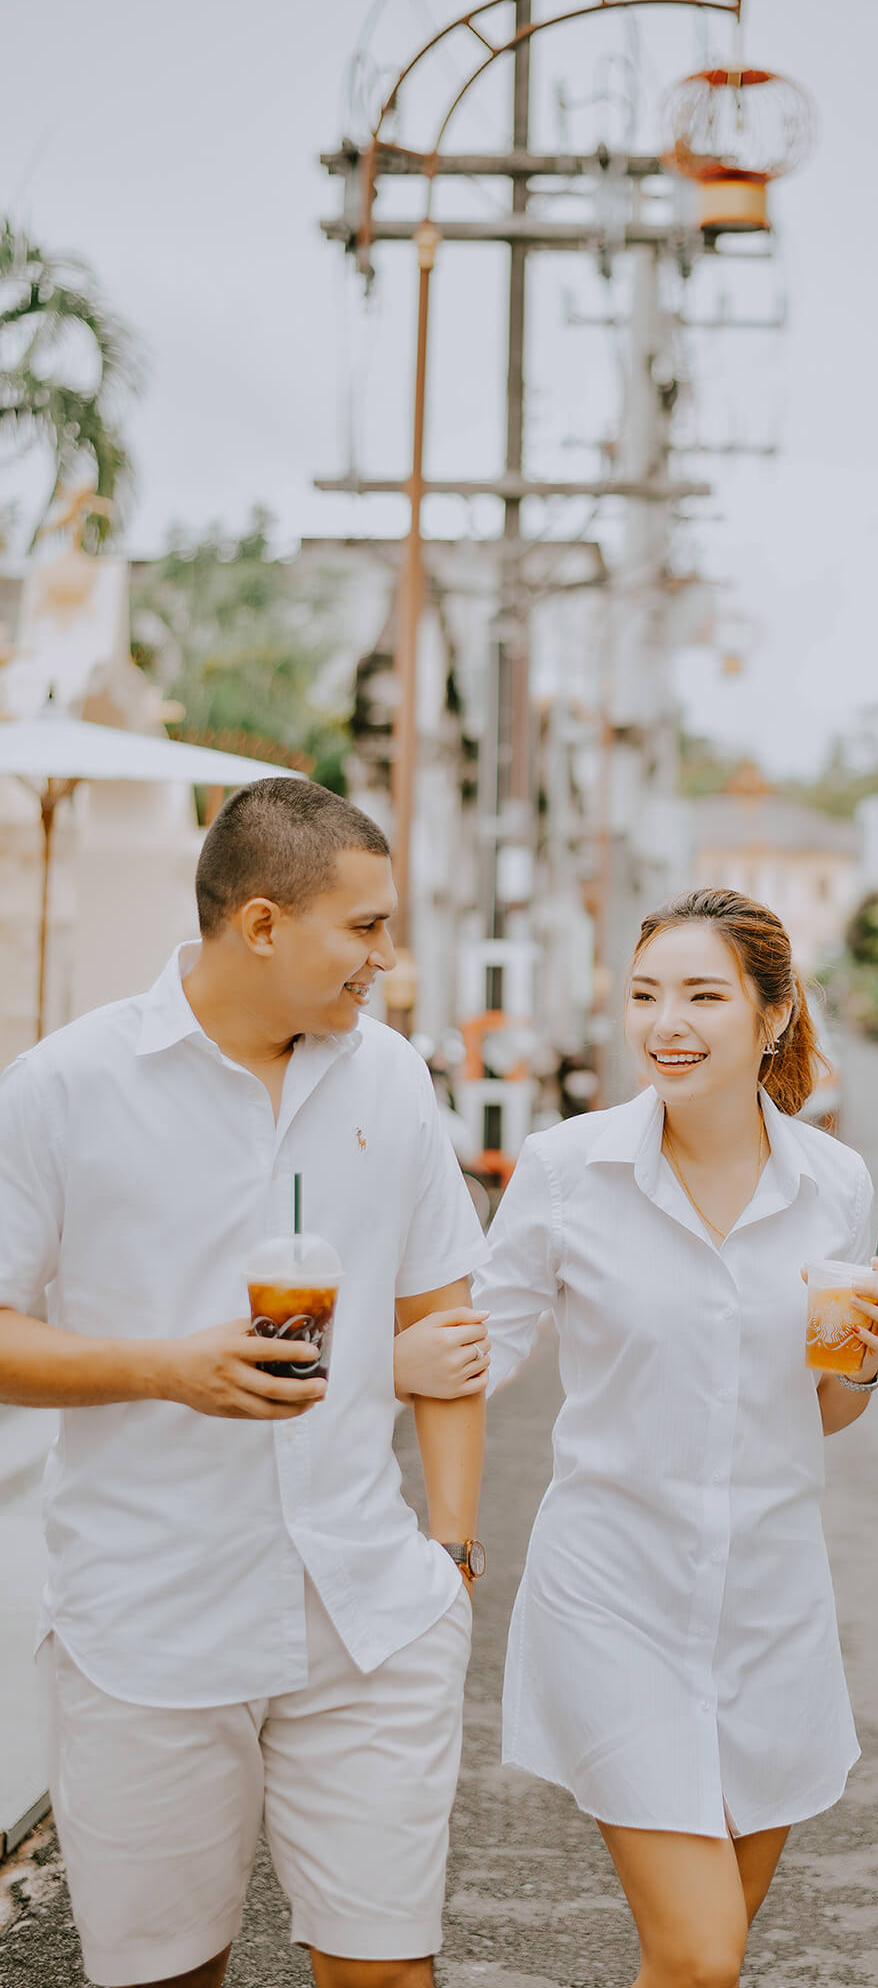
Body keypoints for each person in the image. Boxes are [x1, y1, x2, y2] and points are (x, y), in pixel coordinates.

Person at [0, 777, 495, 1988]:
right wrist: (172, 1368)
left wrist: (450, 1548)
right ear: (263, 924)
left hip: (371, 1615)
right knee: (169, 1974)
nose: (389, 955)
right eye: (365, 926)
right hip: (153, 1624)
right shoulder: (62, 1088)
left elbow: (445, 1308)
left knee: (387, 1971)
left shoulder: (390, 1078)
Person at [399, 887, 878, 1988]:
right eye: (643, 994)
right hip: (615, 1592)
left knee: (692, 1957)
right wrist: (375, 1373)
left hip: (771, 1605)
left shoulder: (833, 1182)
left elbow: (826, 1408)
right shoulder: (567, 1168)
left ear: (771, 1014)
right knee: (701, 1948)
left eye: (700, 994)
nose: (664, 1021)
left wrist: (862, 1355)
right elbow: (475, 1351)